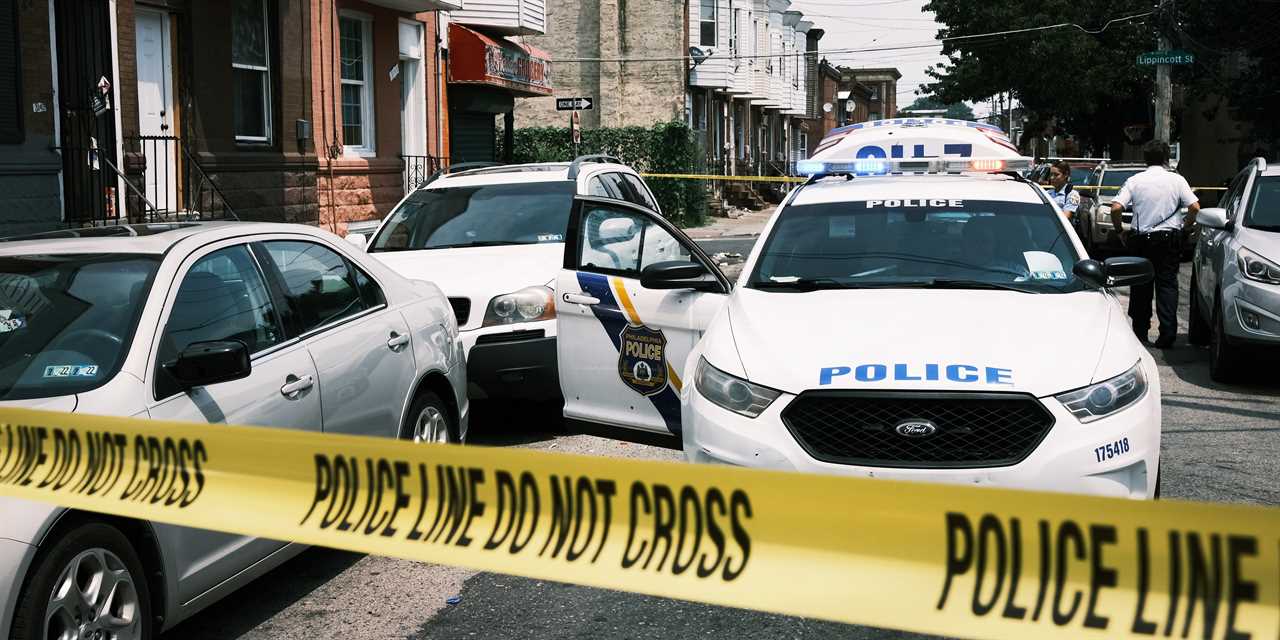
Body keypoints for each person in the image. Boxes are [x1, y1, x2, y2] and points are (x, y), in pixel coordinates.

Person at [1109, 141, 1200, 348]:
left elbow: (1115, 208)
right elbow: (1194, 206)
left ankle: (1140, 332)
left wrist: (1119, 231)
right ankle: (1167, 333)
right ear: (1167, 158)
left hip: (1141, 239)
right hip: (1169, 240)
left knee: (1141, 285)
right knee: (1167, 285)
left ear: (1145, 158)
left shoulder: (1135, 180)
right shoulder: (1177, 180)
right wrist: (1186, 228)